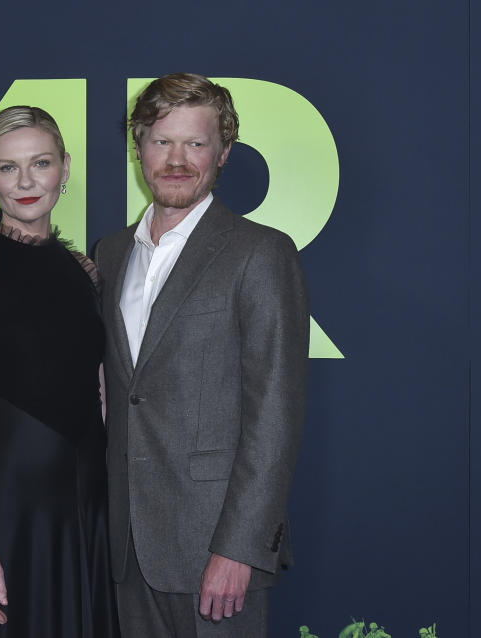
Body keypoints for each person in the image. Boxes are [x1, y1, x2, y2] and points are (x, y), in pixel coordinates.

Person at [94, 72, 309, 637]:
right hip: (128, 546)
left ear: (224, 153)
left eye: (196, 143)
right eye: (162, 141)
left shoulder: (260, 253)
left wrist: (240, 549)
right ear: (139, 147)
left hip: (214, 548)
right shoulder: (111, 253)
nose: (177, 159)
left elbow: (276, 415)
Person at [0, 106, 119, 637]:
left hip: (89, 494)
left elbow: (100, 390)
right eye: (7, 167)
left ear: (65, 167)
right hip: (16, 499)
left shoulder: (86, 269)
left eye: (39, 163)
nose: (25, 182)